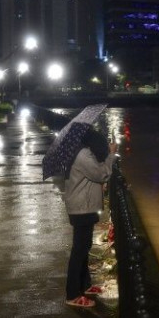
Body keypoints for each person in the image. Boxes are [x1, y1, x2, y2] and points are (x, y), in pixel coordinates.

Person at [63, 126, 118, 308]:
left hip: (83, 206)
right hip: (82, 207)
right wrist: (110, 155)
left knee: (83, 246)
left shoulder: (81, 152)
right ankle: (72, 294)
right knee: (79, 249)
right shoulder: (83, 155)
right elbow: (101, 174)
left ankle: (85, 285)